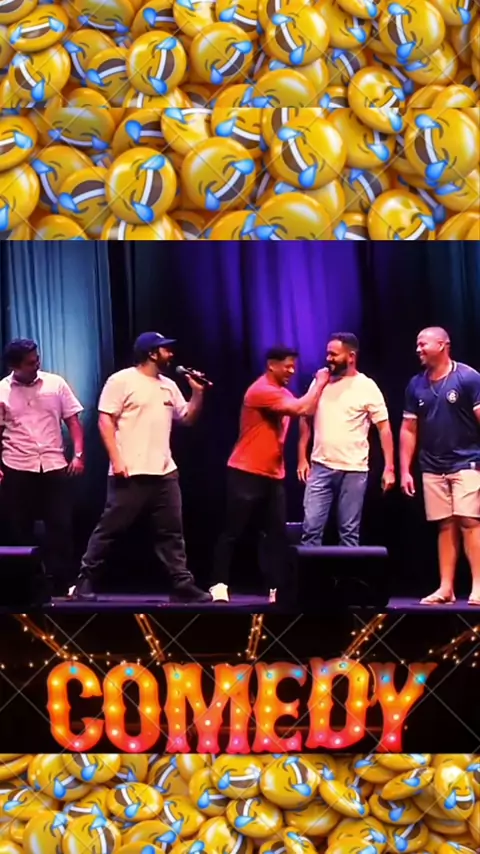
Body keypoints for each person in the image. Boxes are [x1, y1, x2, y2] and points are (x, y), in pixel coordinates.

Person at [71, 332, 211, 603]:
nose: (171, 354)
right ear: (151, 353)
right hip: (131, 470)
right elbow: (105, 421)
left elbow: (186, 418)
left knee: (171, 532)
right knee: (110, 529)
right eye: (165, 350)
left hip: (165, 472)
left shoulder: (169, 385)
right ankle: (84, 580)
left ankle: (182, 585)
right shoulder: (122, 380)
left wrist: (197, 393)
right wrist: (116, 459)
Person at [209, 346, 330, 603]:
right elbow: (301, 408)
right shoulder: (261, 390)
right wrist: (320, 382)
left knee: (276, 535)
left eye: (294, 366)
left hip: (273, 475)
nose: (292, 371)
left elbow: (305, 410)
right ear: (271, 365)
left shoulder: (283, 393)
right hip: (246, 471)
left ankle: (276, 588)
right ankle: (219, 583)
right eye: (287, 366)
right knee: (233, 530)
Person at [400, 327, 480, 606]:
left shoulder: (467, 377)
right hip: (432, 465)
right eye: (417, 344)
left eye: (423, 344)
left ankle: (478, 586)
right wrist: (404, 469)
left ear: (443, 345)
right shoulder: (416, 384)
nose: (418, 349)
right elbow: (408, 428)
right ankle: (446, 588)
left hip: (467, 461)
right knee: (445, 525)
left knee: (469, 521)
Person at [0, 338, 84, 597]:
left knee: (61, 527)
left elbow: (73, 421)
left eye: (37, 359)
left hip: (53, 465)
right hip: (17, 465)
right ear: (15, 366)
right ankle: (26, 586)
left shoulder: (55, 384)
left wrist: (78, 454)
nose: (36, 364)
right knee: (19, 530)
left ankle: (62, 585)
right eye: (30, 362)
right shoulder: (2, 390)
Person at [297, 333, 395, 546]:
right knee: (311, 530)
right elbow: (305, 415)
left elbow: (384, 428)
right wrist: (301, 457)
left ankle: (347, 570)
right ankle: (309, 569)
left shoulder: (366, 386)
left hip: (354, 470)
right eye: (327, 354)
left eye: (334, 354)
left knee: (349, 533)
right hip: (321, 466)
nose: (328, 359)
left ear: (351, 356)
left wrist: (389, 468)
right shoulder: (320, 381)